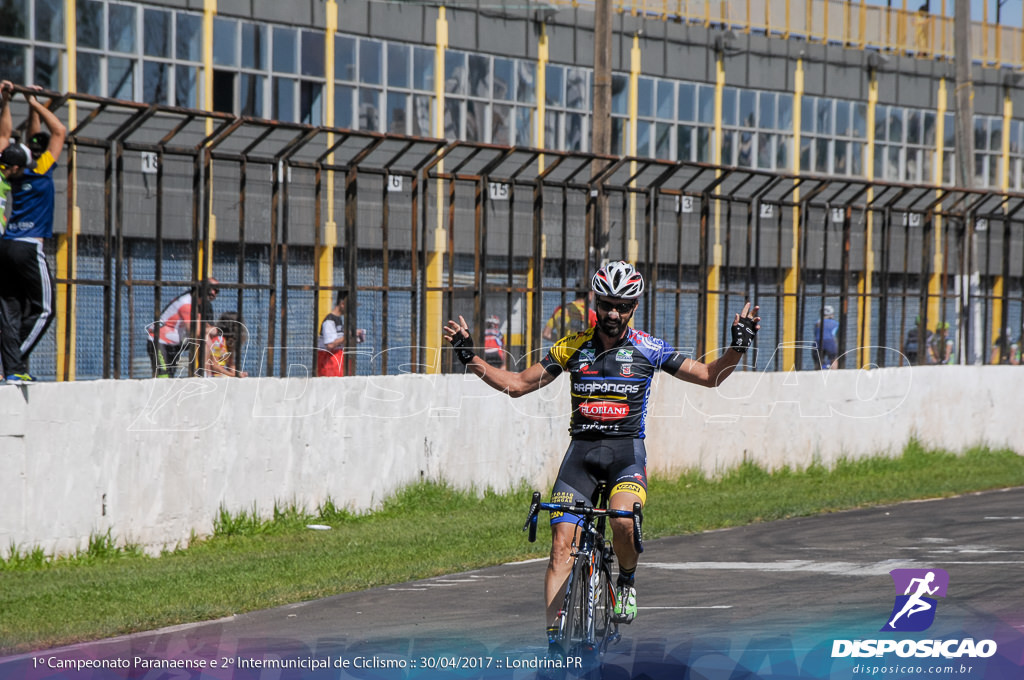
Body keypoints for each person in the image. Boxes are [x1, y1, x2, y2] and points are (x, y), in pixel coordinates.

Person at [443, 260, 760, 669]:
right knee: (560, 546)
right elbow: (519, 385)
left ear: (634, 307)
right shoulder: (572, 346)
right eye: (607, 304)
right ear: (595, 301)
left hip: (626, 454)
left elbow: (709, 376)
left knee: (623, 521)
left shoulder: (649, 347)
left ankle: (626, 578)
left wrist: (737, 348)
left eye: (623, 307)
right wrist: (470, 358)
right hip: (581, 456)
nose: (613, 313)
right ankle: (556, 643)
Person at [0, 82, 66, 384]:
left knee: (10, 310)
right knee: (45, 310)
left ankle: (13, 369)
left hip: (6, 246)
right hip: (28, 248)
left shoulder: (11, 174)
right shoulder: (41, 170)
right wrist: (34, 100)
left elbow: (8, 137)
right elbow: (59, 132)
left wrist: (7, 100)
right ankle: (14, 363)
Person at [146, 279, 219, 378]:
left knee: (170, 377)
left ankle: (206, 372)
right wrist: (213, 330)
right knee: (163, 376)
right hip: (159, 341)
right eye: (211, 289)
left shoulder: (204, 305)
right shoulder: (186, 303)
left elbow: (206, 327)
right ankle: (204, 372)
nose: (214, 293)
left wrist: (212, 330)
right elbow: (195, 331)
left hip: (176, 342)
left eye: (217, 290)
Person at [317, 290, 366, 377]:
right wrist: (349, 334)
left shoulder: (339, 320)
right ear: (342, 304)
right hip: (330, 368)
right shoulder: (329, 320)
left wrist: (354, 337)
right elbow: (330, 344)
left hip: (339, 366)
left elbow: (341, 341)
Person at [203, 312, 248, 378]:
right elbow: (214, 366)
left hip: (220, 376)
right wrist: (232, 375)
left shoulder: (230, 343)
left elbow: (231, 364)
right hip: (213, 377)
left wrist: (239, 373)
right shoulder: (219, 341)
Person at [813, 305, 839, 369]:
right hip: (830, 342)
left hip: (818, 342)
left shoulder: (817, 323)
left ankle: (818, 374)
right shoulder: (836, 323)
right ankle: (834, 374)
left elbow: (815, 334)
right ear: (831, 314)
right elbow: (837, 336)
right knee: (833, 360)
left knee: (818, 362)